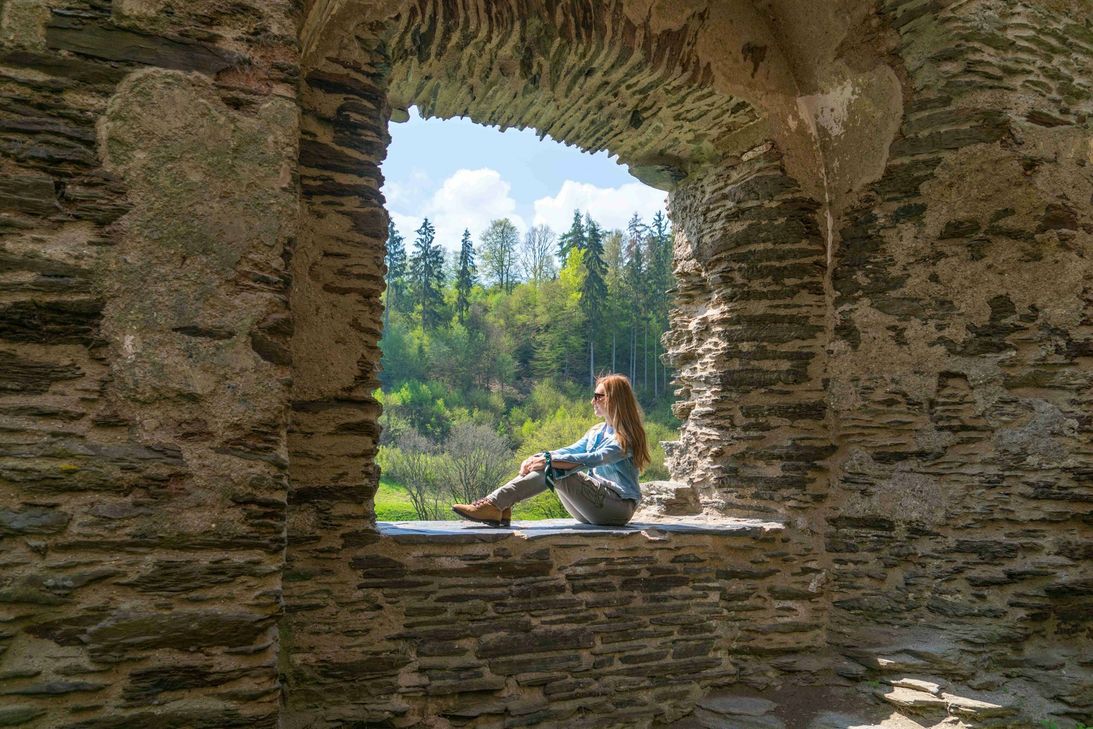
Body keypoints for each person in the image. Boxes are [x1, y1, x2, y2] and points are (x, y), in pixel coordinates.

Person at [452, 374, 650, 527]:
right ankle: (500, 507)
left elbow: (594, 458)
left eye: (598, 397)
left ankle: (495, 504)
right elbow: (571, 449)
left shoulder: (626, 437)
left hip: (617, 508)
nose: (593, 401)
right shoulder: (597, 431)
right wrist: (538, 457)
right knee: (550, 465)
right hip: (593, 506)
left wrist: (548, 461)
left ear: (614, 399)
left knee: (554, 469)